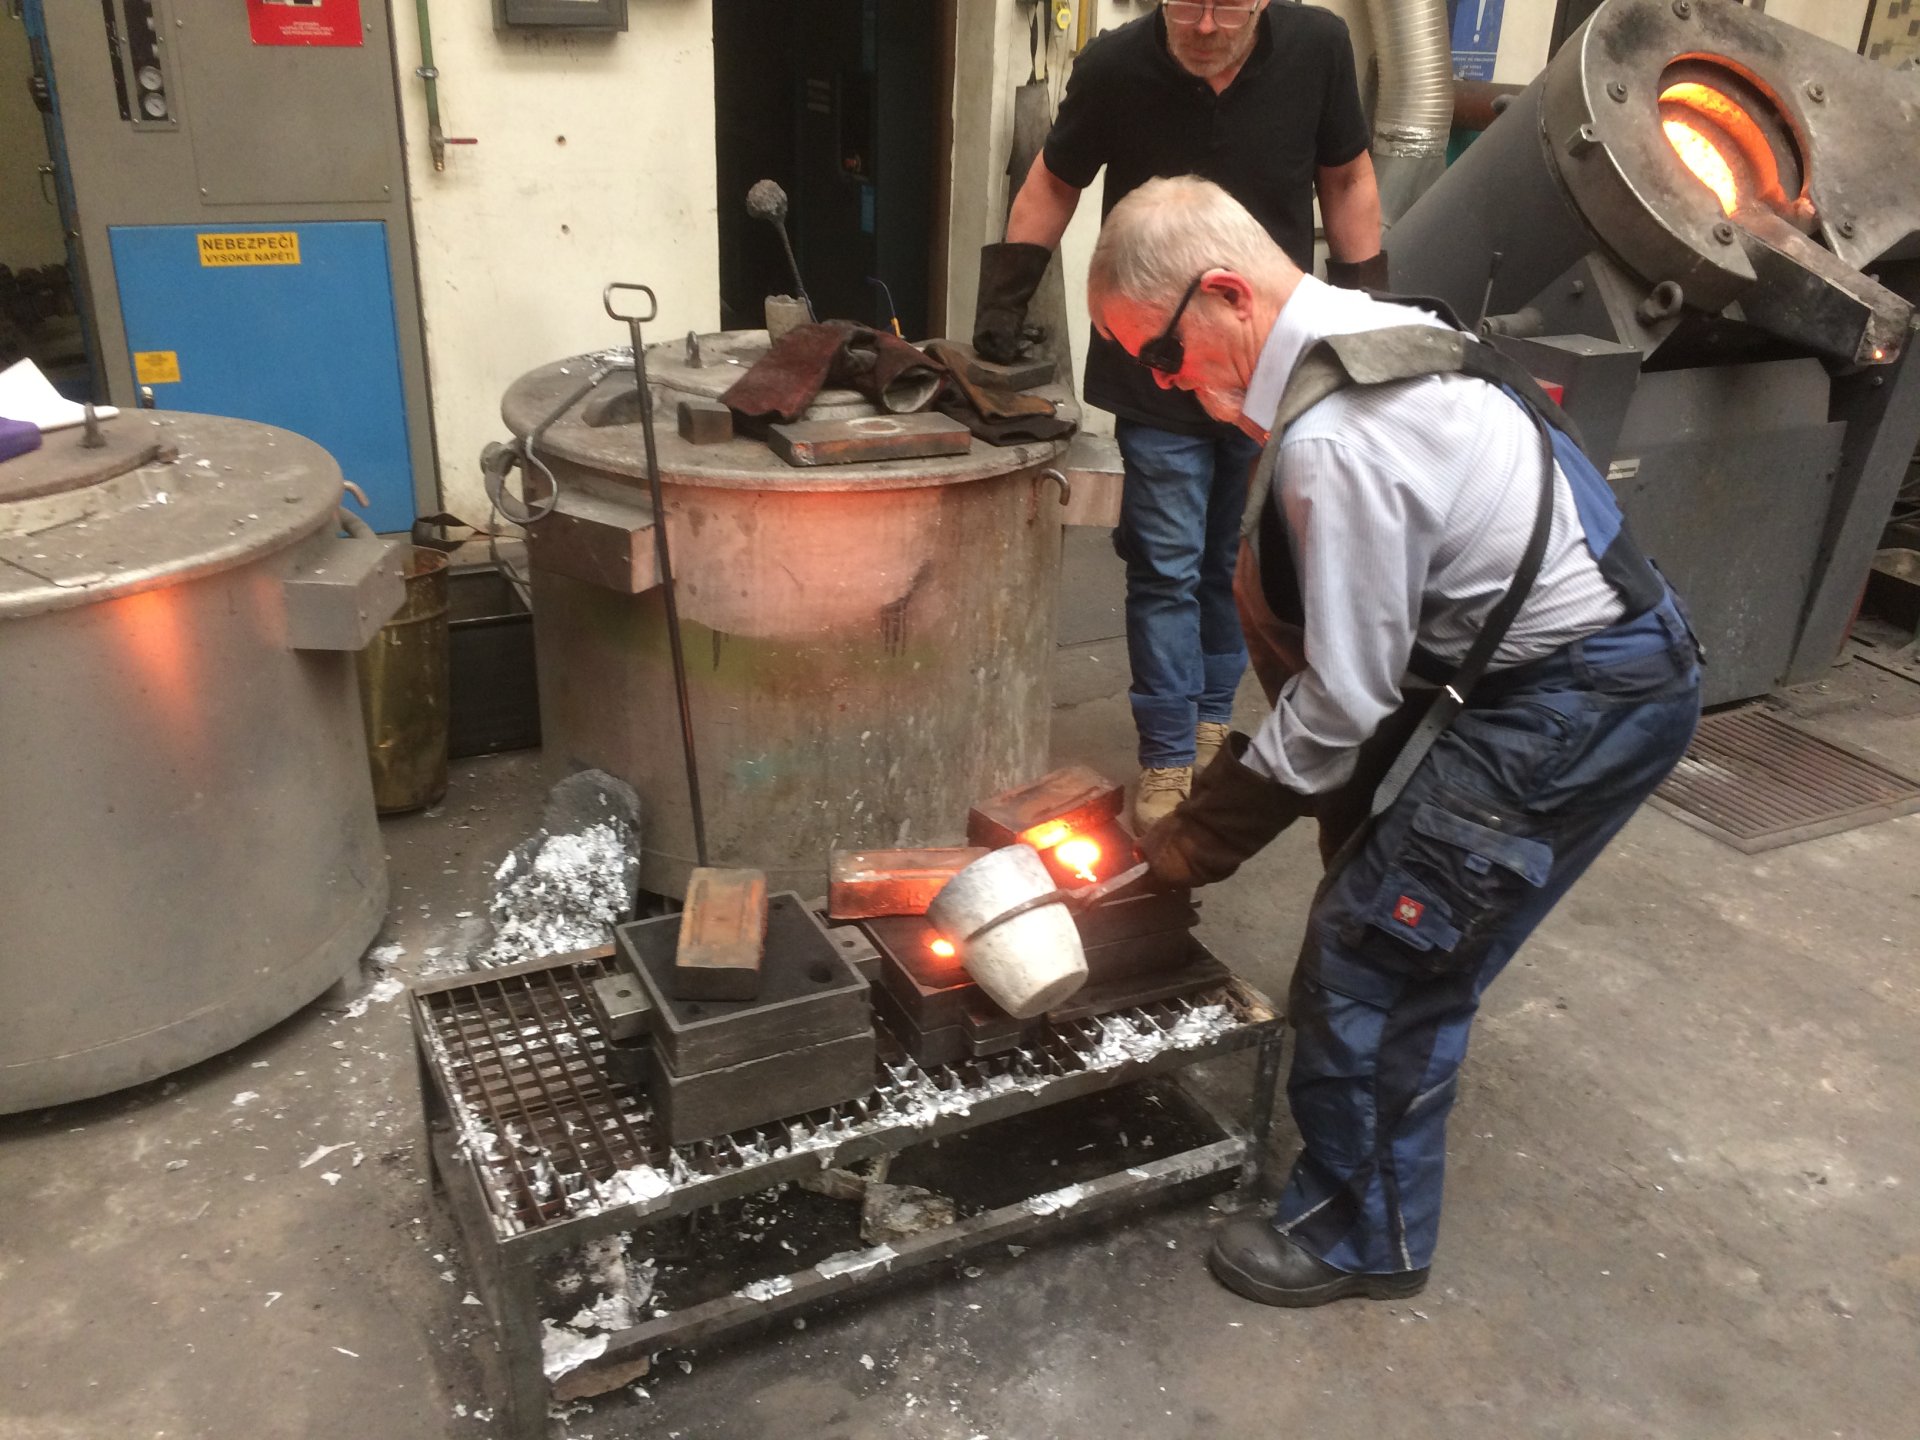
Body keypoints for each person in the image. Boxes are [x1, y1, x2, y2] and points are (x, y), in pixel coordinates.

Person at [1087, 176, 1703, 1306]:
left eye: (1163, 355)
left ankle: (1358, 1237)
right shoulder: (1375, 329)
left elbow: (1344, 700)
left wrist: (1201, 837)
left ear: (1226, 295)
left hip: (1578, 697)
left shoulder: (1340, 438)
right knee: (1388, 899)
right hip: (1563, 665)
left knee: (1376, 955)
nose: (1166, 385)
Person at [973, 0, 1385, 831]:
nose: (1203, 26)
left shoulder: (1319, 48)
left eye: (1227, 6)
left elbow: (1346, 180)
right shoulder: (1115, 65)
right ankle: (1166, 751)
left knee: (1238, 561)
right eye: (1186, 3)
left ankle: (1210, 723)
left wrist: (1367, 323)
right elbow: (1054, 180)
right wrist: (1004, 303)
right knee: (1165, 562)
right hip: (1157, 368)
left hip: (1267, 363)